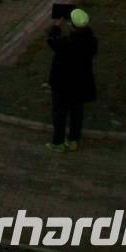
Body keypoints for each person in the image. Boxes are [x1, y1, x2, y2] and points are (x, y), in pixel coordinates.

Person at [47, 8, 98, 152]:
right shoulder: (92, 41)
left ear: (72, 26)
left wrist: (56, 26)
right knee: (77, 113)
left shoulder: (67, 43)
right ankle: (73, 140)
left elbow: (52, 42)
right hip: (81, 82)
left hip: (62, 83)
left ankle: (58, 143)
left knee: (60, 114)